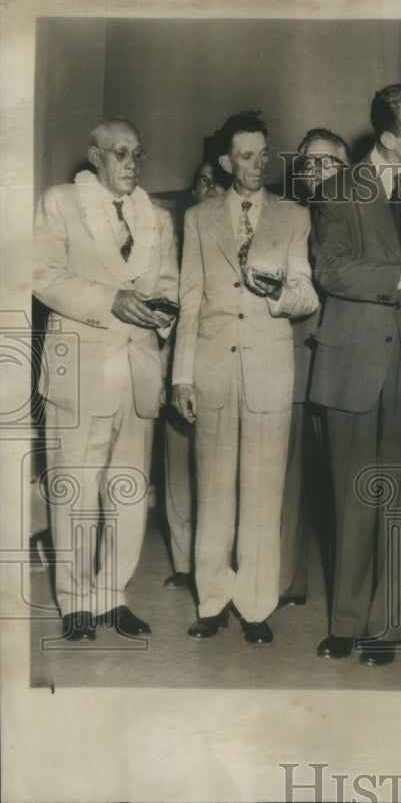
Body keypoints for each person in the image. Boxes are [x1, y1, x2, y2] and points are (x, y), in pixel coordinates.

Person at [309, 84, 401, 667]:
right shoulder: (336, 191)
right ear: (389, 137)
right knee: (351, 499)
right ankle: (346, 622)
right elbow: (333, 269)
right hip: (353, 362)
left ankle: (386, 626)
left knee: (400, 501)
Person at [172, 111, 319, 645]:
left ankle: (257, 606)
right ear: (226, 161)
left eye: (263, 154)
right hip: (210, 368)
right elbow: (190, 300)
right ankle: (211, 600)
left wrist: (276, 293)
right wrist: (181, 377)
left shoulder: (294, 216)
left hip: (268, 367)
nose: (258, 165)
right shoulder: (197, 217)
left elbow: (306, 292)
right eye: (246, 156)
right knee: (213, 490)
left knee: (262, 492)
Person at [34, 117, 178, 640]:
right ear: (94, 156)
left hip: (138, 368)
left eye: (138, 153)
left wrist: (164, 309)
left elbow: (168, 283)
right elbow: (43, 274)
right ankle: (74, 602)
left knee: (129, 489)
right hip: (81, 368)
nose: (132, 164)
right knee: (75, 490)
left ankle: (111, 596)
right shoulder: (59, 202)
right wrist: (111, 300)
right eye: (120, 153)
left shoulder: (157, 216)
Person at [276, 128, 351, 608]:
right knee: (291, 479)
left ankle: (348, 593)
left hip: (347, 366)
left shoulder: (360, 216)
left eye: (327, 163)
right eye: (308, 163)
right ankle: (288, 581)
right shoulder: (287, 219)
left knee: (346, 484)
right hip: (297, 359)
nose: (315, 172)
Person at [161, 159, 227, 593]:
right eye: (202, 180)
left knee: (217, 468)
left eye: (217, 183)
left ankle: (216, 564)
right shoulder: (174, 232)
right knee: (178, 463)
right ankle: (184, 563)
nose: (209, 188)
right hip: (175, 353)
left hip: (220, 358)